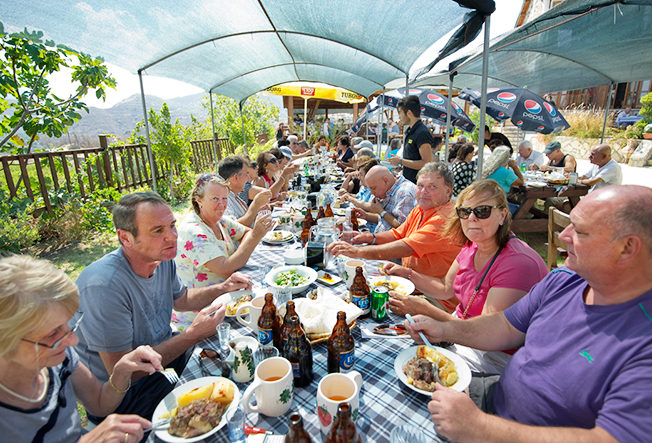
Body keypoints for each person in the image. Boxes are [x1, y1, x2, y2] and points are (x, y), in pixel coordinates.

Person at [405, 185, 652, 443]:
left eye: (579, 230)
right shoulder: (564, 281)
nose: (563, 235)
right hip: (494, 395)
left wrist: (481, 428)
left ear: (627, 248)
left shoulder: (643, 340)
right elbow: (505, 326)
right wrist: (444, 330)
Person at [75, 191, 251, 424]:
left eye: (172, 226)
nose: (172, 237)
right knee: (214, 416)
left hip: (164, 362)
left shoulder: (162, 259)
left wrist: (224, 287)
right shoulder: (103, 286)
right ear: (125, 238)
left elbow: (183, 299)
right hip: (123, 397)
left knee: (237, 360)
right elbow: (127, 370)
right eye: (158, 231)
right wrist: (192, 335)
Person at [385, 180, 548, 372]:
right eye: (464, 211)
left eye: (482, 211)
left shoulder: (518, 264)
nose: (472, 218)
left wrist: (428, 311)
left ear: (503, 215)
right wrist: (408, 274)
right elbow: (445, 287)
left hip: (493, 358)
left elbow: (488, 334)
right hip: (460, 332)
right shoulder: (474, 244)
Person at [0, 255, 163, 443]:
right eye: (52, 334)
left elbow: (100, 404)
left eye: (68, 325)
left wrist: (121, 371)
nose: (73, 341)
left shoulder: (58, 358)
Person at [328, 163, 463, 309]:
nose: (424, 191)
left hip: (435, 299)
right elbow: (398, 233)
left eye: (432, 187)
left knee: (367, 305)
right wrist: (367, 237)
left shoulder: (444, 218)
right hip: (411, 285)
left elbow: (405, 247)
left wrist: (357, 252)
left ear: (448, 191)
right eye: (420, 185)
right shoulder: (421, 208)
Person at [176, 174, 274, 287]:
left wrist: (246, 245)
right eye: (215, 199)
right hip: (207, 301)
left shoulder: (219, 221)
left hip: (228, 289)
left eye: (224, 198)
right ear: (199, 201)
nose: (221, 204)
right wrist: (255, 236)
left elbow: (246, 232)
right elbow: (225, 269)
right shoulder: (193, 231)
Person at [347, 165, 416, 234]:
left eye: (373, 188)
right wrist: (366, 216)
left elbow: (402, 228)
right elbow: (387, 219)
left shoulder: (404, 193)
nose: (371, 192)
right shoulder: (390, 188)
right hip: (378, 238)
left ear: (386, 181)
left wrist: (381, 211)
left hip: (387, 243)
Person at [388, 95, 434, 183]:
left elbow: (426, 163)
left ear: (409, 113)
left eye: (400, 113)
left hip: (417, 184)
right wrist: (401, 164)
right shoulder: (410, 130)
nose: (399, 117)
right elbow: (413, 158)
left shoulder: (422, 132)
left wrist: (401, 161)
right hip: (408, 182)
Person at [219, 156, 272, 227]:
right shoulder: (223, 201)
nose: (248, 178)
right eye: (246, 174)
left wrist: (258, 209)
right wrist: (255, 206)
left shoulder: (235, 195)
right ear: (236, 177)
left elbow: (246, 218)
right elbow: (233, 229)